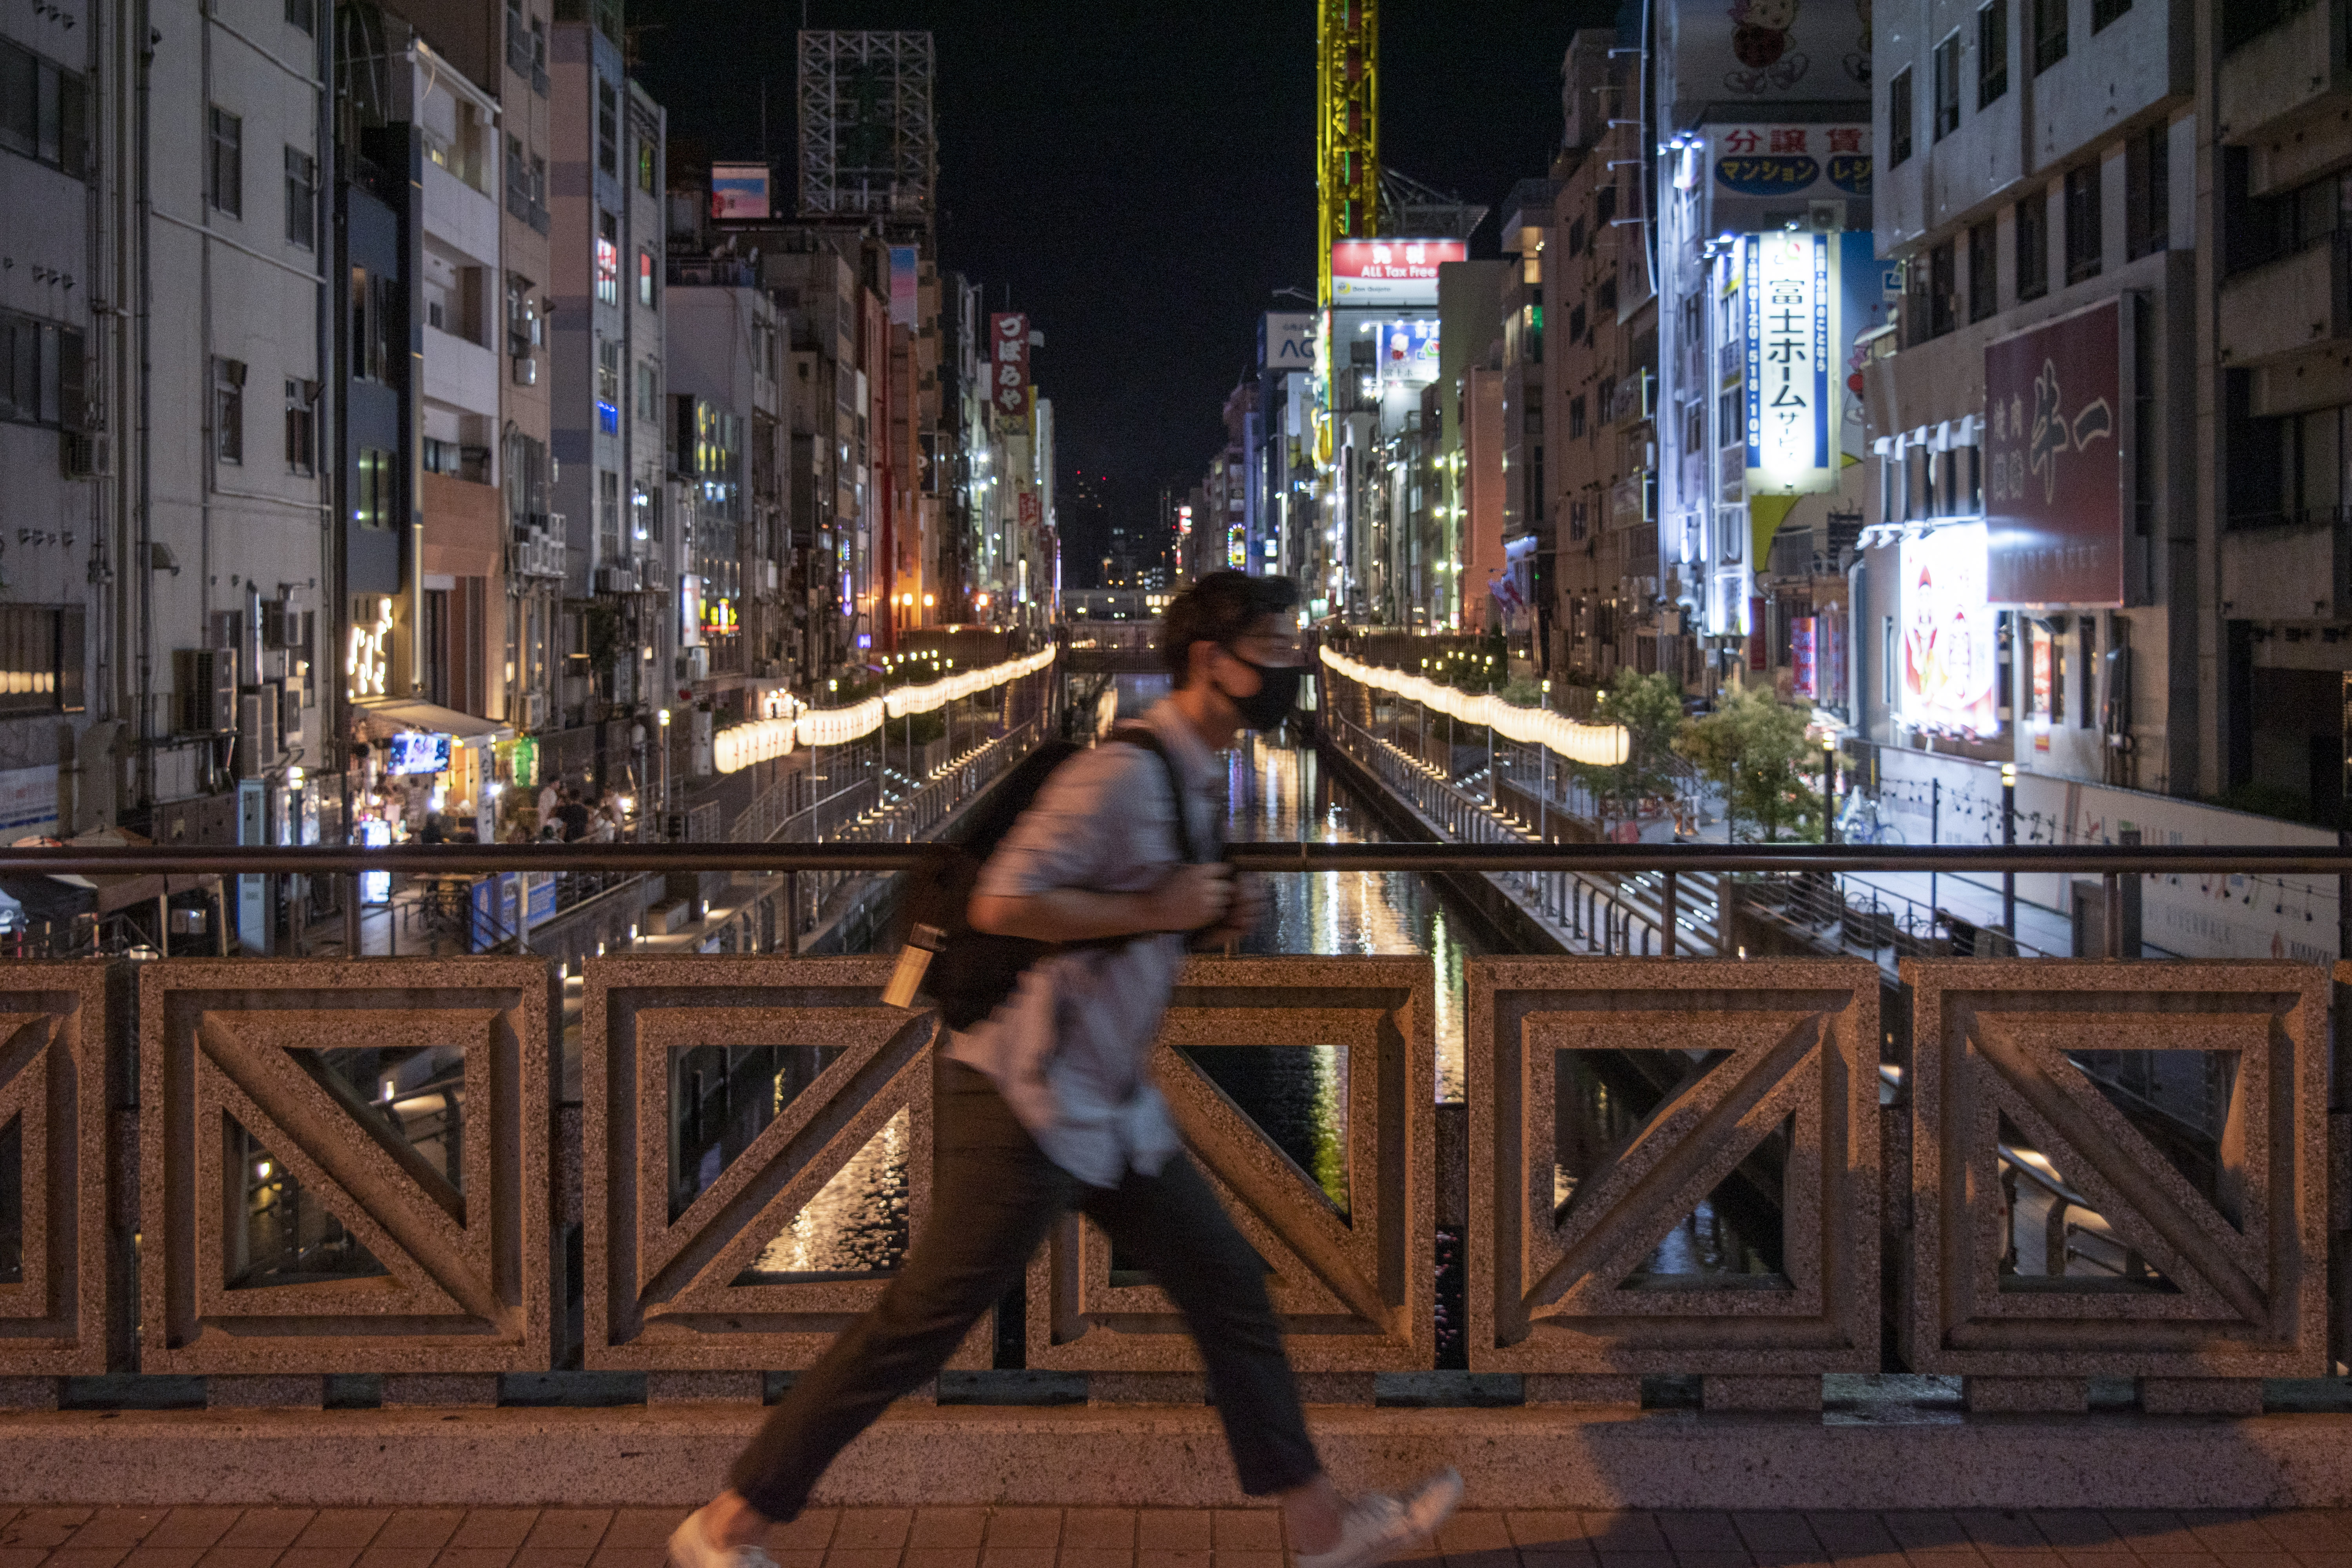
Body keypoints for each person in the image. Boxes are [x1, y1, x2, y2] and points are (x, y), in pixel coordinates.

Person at [667, 572, 1459, 1568]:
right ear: (1213, 661)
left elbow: (1144, 909)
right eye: (1275, 645)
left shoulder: (1194, 771)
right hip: (1020, 1098)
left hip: (1108, 1103)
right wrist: (1163, 910)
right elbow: (1002, 903)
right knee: (918, 1325)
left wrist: (1204, 915)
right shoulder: (1122, 775)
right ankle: (726, 1525)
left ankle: (1322, 1529)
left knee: (1229, 1289)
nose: (1292, 664)